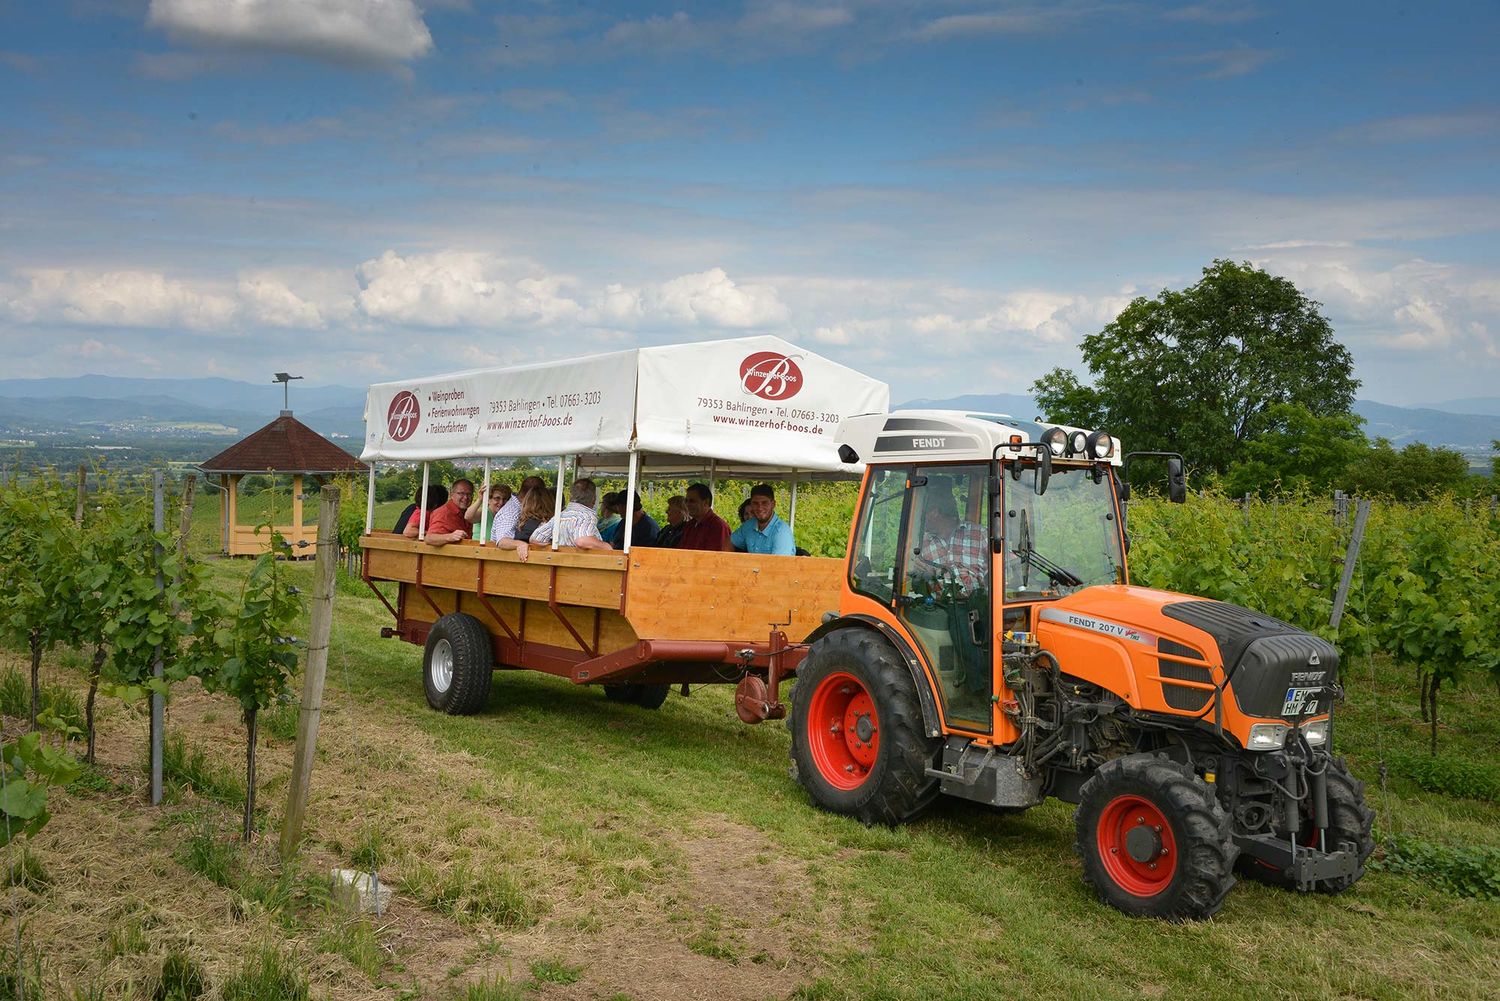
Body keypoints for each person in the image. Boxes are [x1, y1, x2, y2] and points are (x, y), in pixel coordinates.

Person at [505, 478, 613, 562]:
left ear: (571, 496)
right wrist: (607, 547)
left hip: (562, 564)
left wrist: (557, 546)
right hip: (582, 570)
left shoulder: (560, 515)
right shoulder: (586, 516)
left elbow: (536, 538)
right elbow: (582, 541)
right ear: (594, 499)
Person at [911, 488, 986, 596]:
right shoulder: (923, 545)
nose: (919, 519)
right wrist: (923, 576)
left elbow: (1010, 566)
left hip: (981, 607)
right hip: (942, 609)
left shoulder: (979, 534)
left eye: (921, 514)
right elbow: (917, 584)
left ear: (934, 513)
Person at [730, 484, 796, 556]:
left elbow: (778, 565)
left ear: (773, 504)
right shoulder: (749, 525)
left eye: (764, 503)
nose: (760, 508)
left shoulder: (781, 532)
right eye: (755, 503)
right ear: (751, 504)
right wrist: (728, 562)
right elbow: (728, 542)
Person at [405, 478, 473, 546]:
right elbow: (430, 538)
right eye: (461, 493)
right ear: (451, 494)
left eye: (469, 494)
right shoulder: (443, 513)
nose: (466, 497)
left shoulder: (471, 513)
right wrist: (450, 537)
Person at [680, 482, 732, 552]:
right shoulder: (689, 525)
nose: (688, 504)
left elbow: (717, 557)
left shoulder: (718, 526)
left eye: (692, 501)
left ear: (706, 502)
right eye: (686, 501)